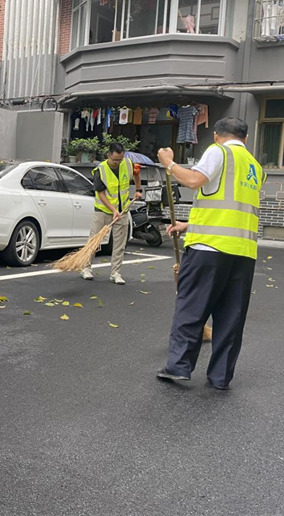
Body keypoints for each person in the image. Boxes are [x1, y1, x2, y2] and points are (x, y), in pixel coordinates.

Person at [155, 117, 264, 390]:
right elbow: (230, 208)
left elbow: (194, 180)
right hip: (243, 253)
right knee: (231, 317)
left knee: (191, 308)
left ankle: (178, 366)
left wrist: (169, 163)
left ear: (216, 135)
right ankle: (220, 377)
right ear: (246, 138)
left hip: (208, 248)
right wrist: (188, 224)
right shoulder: (255, 166)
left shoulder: (219, 152)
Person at [80, 142, 142, 285]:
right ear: (108, 155)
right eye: (115, 160)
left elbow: (136, 174)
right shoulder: (100, 170)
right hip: (103, 210)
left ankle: (115, 273)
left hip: (123, 210)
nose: (117, 163)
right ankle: (86, 268)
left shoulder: (128, 163)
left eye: (120, 159)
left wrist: (138, 190)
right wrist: (113, 210)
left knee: (120, 244)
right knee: (94, 240)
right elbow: (101, 194)